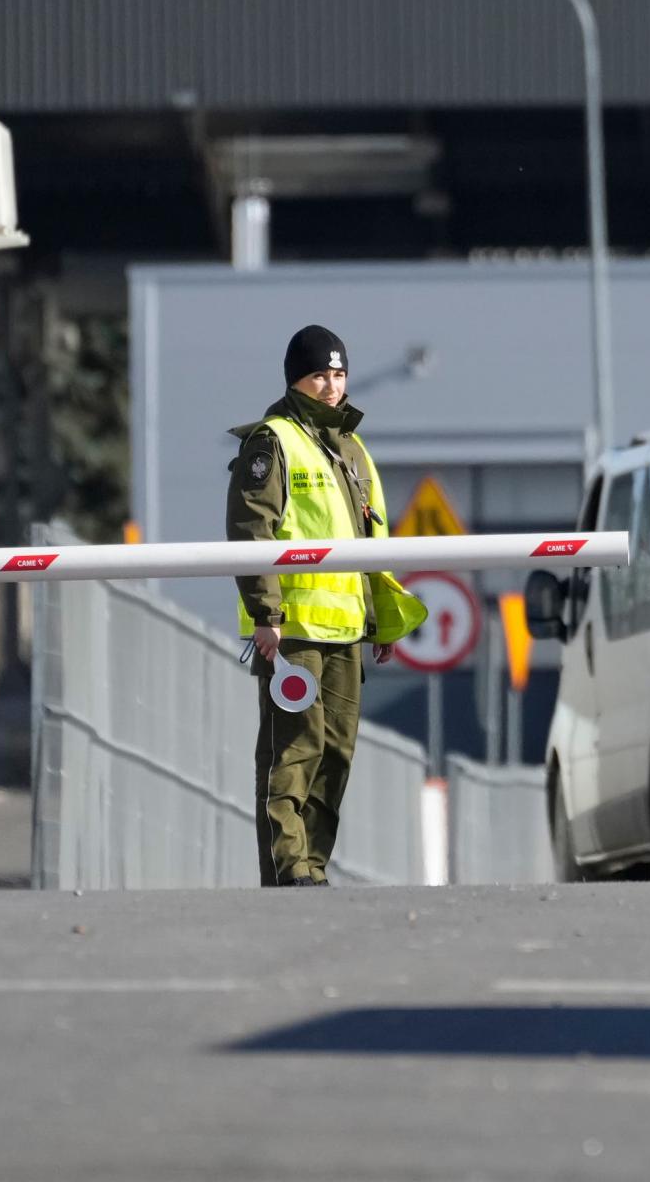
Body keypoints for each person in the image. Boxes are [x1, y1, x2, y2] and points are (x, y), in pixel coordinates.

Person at [227, 325, 392, 887]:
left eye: (339, 373)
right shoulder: (272, 441)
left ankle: (312, 866)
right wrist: (266, 616)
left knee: (335, 755)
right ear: (295, 378)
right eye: (320, 373)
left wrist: (382, 619)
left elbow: (373, 540)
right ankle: (289, 869)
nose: (331, 385)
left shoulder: (351, 448)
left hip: (345, 628)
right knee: (294, 750)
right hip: (292, 630)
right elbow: (254, 532)